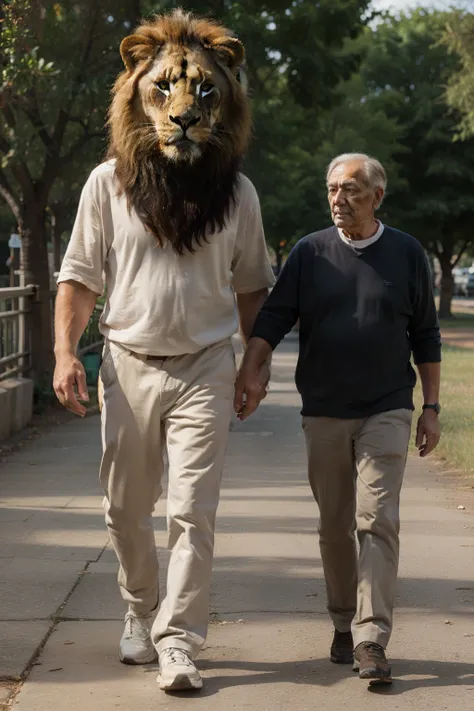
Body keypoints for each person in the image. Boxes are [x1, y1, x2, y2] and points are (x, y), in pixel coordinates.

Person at [53, 10, 274, 693]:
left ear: (227, 98)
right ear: (136, 91)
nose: (182, 109)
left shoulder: (237, 193)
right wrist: (65, 353)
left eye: (203, 92)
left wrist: (252, 362)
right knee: (124, 509)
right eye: (166, 92)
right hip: (127, 361)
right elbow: (78, 278)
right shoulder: (106, 183)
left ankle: (178, 638)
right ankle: (138, 607)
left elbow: (252, 289)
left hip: (205, 366)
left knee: (192, 509)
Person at [235, 152, 441, 684]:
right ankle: (342, 622)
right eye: (332, 188)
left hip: (388, 406)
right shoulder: (310, 254)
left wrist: (432, 407)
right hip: (324, 409)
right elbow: (275, 317)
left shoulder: (406, 253)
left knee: (377, 521)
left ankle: (372, 639)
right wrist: (251, 371)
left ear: (377, 195)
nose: (338, 199)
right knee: (334, 526)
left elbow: (426, 334)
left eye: (350, 189)